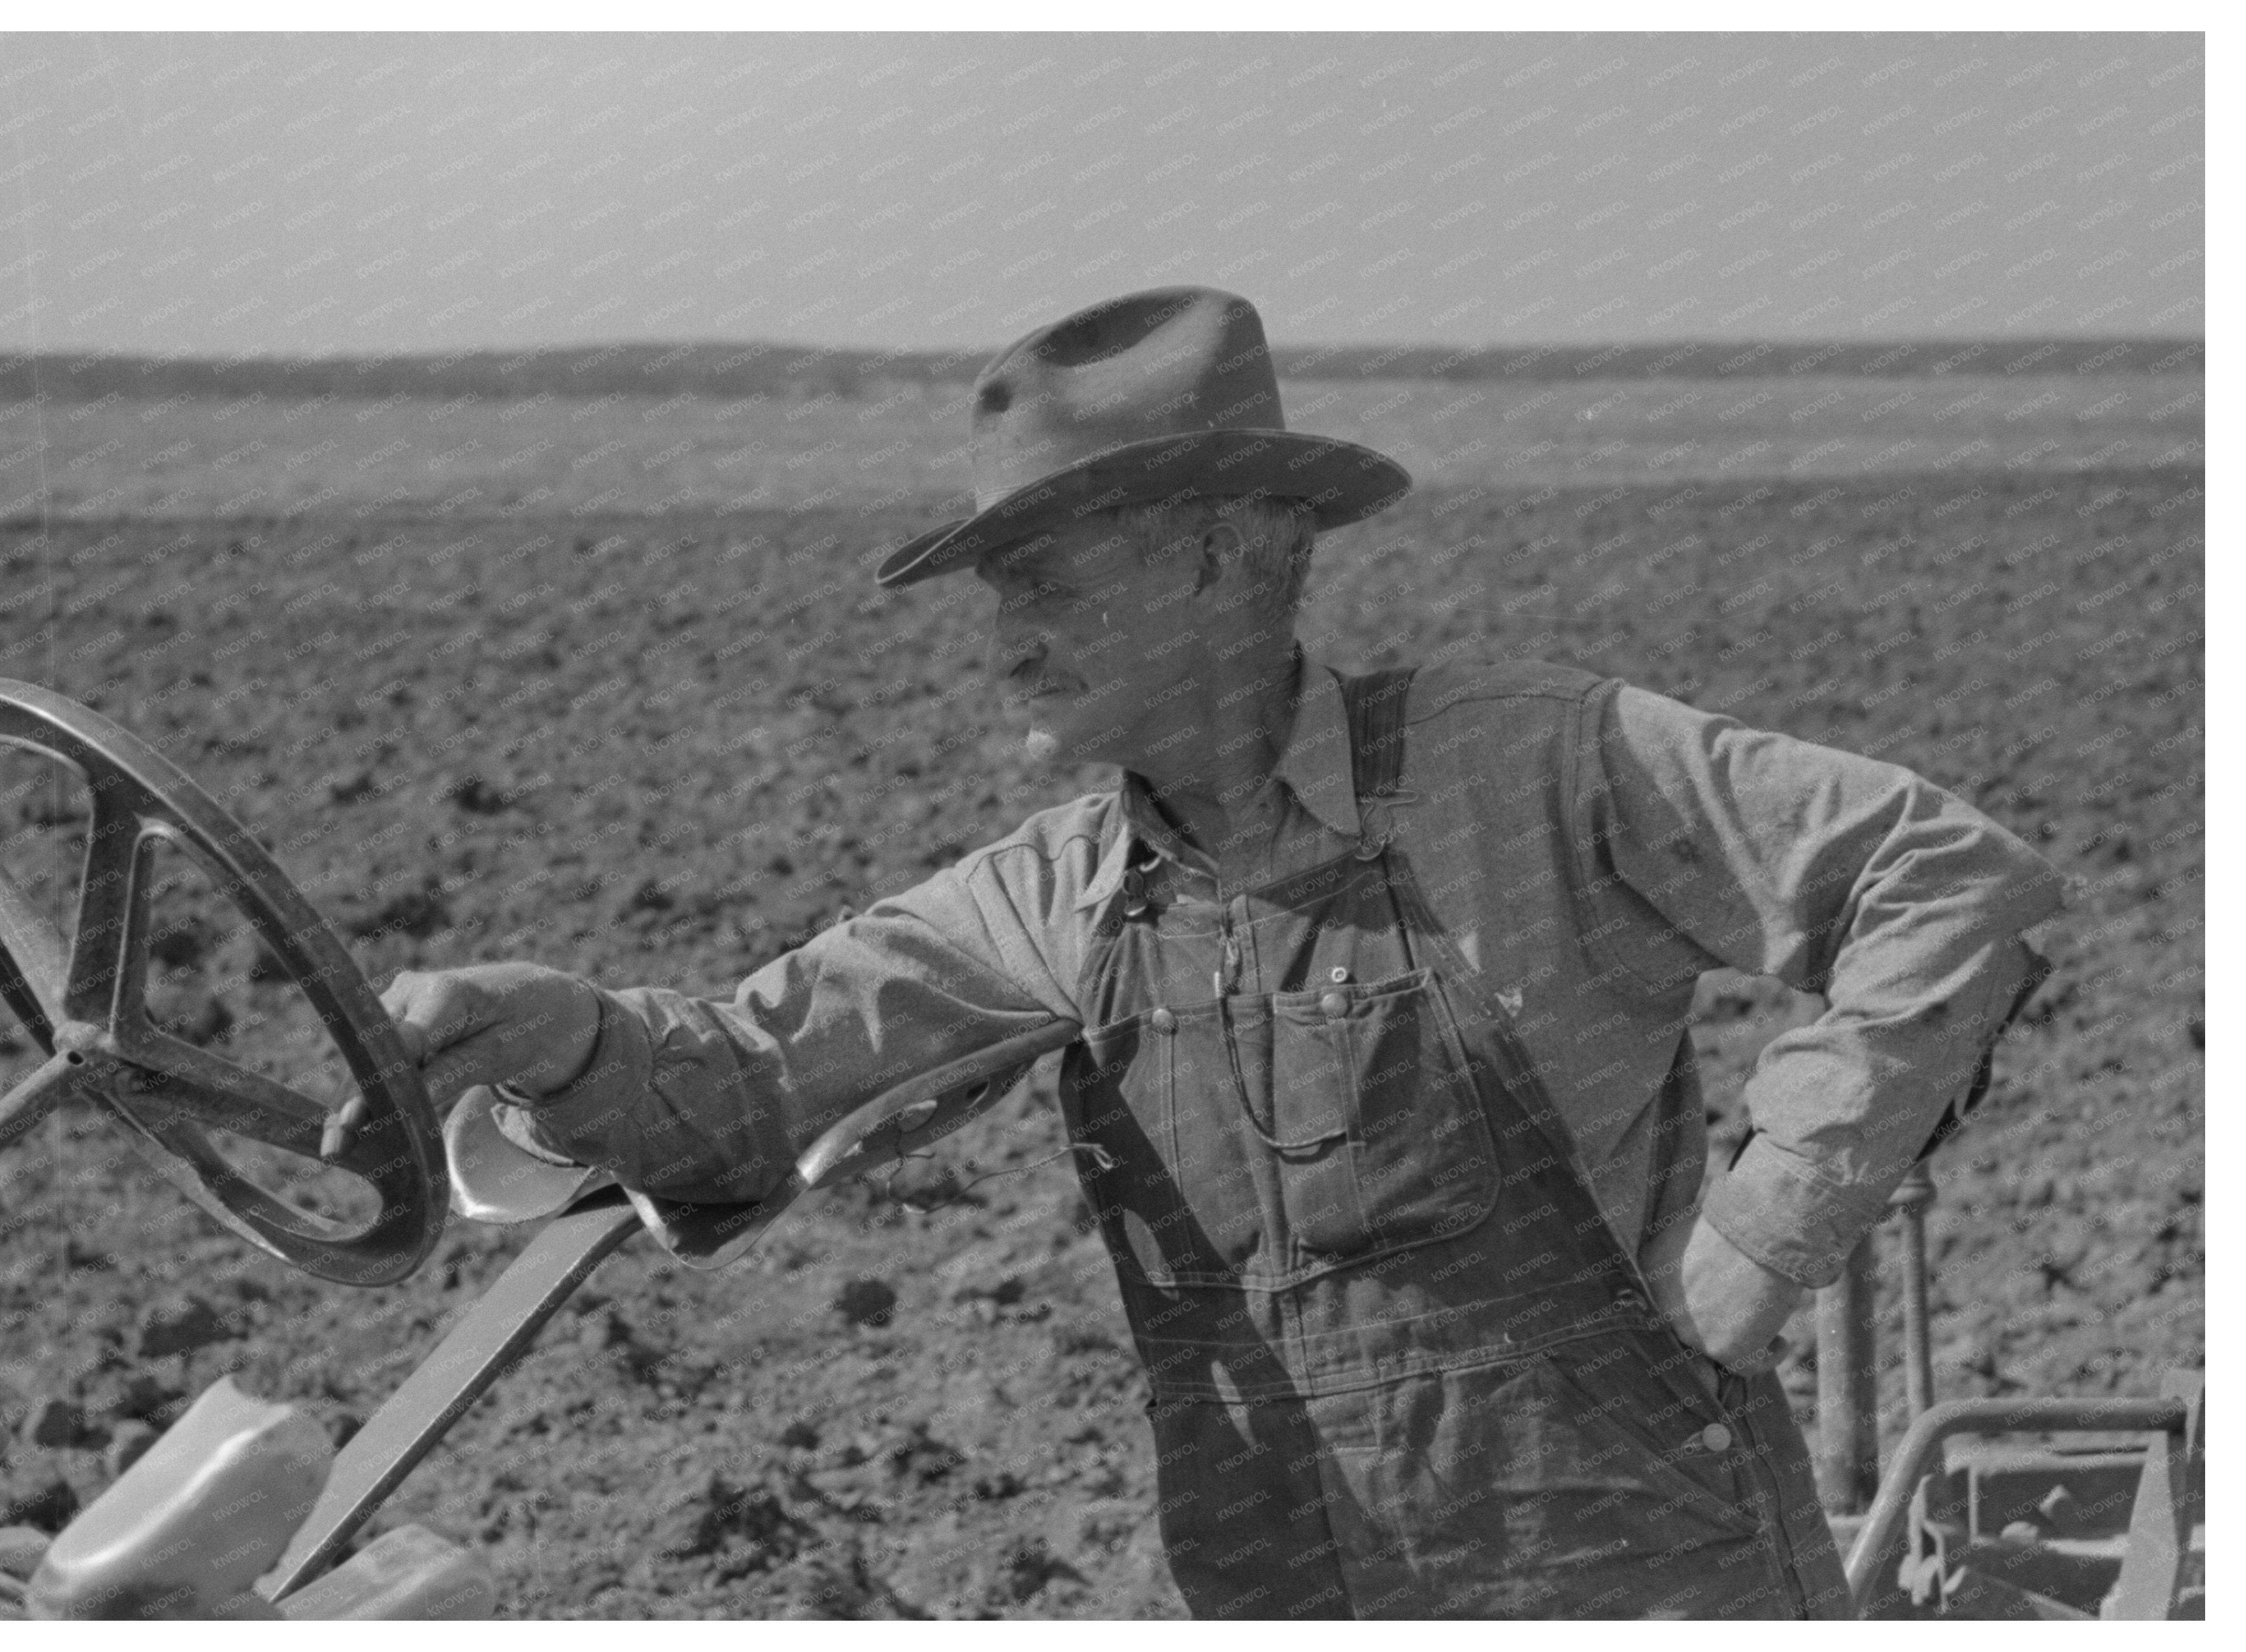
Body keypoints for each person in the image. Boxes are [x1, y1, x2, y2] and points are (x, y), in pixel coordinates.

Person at [377, 287, 2063, 1618]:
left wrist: (1767, 1228)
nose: (1002, 635)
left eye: (1034, 575)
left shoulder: (1537, 762)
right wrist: (560, 1043)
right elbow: (740, 1086)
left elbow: (1943, 875)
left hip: (1642, 1590)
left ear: (1210, 556)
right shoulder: (1055, 898)